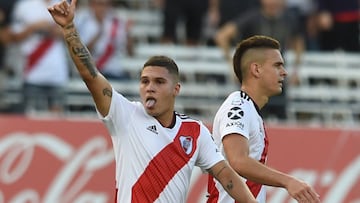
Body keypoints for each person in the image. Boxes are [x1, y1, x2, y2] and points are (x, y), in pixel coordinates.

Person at [47, 1, 258, 202]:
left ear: (176, 89)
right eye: (144, 81)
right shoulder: (125, 114)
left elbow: (225, 175)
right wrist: (69, 30)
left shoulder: (195, 132)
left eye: (158, 82)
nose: (150, 87)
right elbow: (91, 76)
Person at [207, 35, 321, 203]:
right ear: (256, 69)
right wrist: (288, 181)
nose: (284, 72)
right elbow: (238, 161)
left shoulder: (250, 110)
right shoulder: (238, 106)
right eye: (277, 65)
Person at [214, 0, 305, 120]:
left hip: (277, 78)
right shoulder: (252, 18)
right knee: (252, 119)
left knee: (282, 121)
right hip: (255, 78)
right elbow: (222, 36)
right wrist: (234, 66)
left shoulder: (289, 19)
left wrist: (296, 69)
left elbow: (299, 42)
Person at [10, 0, 69, 114]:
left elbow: (73, 34)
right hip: (32, 73)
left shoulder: (62, 4)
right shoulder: (24, 6)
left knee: (59, 120)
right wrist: (34, 27)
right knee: (32, 119)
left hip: (57, 74)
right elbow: (15, 36)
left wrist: (53, 30)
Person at [74, 0, 134, 80]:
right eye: (100, 4)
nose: (103, 8)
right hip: (92, 72)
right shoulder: (83, 21)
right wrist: (100, 32)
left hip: (114, 71)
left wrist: (128, 33)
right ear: (92, 5)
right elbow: (81, 52)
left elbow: (131, 53)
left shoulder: (117, 22)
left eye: (107, 4)